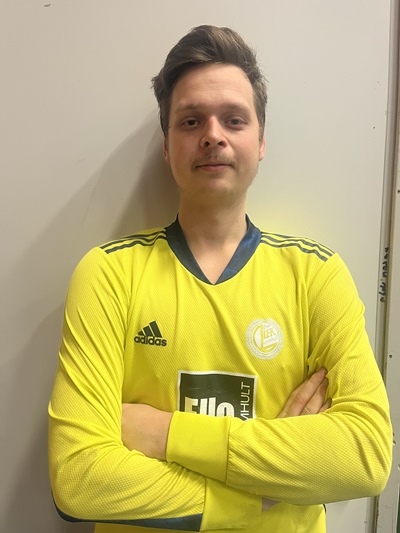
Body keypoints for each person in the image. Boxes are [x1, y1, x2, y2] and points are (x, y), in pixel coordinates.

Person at [48, 25, 392, 533]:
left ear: (261, 141)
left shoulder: (316, 275)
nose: (213, 134)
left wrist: (164, 434)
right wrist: (267, 491)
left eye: (234, 119)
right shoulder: (108, 274)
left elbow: (365, 456)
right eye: (191, 121)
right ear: (167, 147)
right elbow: (79, 479)